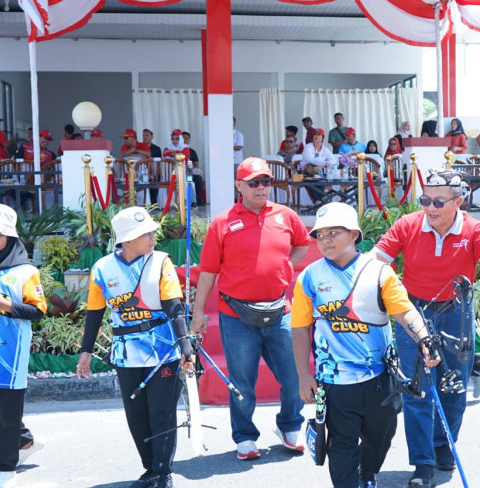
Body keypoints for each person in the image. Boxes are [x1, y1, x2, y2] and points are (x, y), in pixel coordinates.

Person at [373, 168, 480, 487]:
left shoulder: (474, 229)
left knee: (454, 387)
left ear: (459, 201)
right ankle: (422, 462)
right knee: (416, 388)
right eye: (425, 200)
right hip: (412, 311)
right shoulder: (408, 224)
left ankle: (443, 445)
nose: (430, 207)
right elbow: (377, 259)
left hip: (456, 312)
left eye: (439, 201)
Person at [291, 202, 440, 488]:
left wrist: (423, 338)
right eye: (320, 235)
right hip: (333, 380)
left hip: (379, 377)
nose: (325, 240)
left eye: (333, 232)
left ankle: (368, 471)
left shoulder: (379, 272)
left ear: (354, 235)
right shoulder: (309, 277)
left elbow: (404, 311)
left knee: (381, 434)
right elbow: (299, 328)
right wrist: (304, 375)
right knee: (342, 442)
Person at [191, 157, 309, 460]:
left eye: (266, 181)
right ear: (239, 186)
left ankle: (290, 426)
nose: (261, 188)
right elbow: (207, 270)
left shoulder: (286, 216)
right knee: (242, 382)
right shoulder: (222, 222)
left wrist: (286, 267)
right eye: (254, 182)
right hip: (237, 316)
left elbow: (302, 244)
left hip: (280, 311)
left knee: (294, 375)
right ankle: (245, 437)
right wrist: (197, 312)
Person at [76, 207, 193, 488]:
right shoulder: (103, 269)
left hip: (163, 350)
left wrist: (185, 345)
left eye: (152, 232)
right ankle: (149, 468)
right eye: (145, 234)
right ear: (127, 240)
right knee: (136, 414)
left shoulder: (161, 262)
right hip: (126, 353)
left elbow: (175, 308)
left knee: (161, 411)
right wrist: (86, 352)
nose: (153, 237)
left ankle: (163, 472)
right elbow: (94, 313)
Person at [0, 205, 47, 488]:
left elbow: (38, 311)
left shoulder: (25, 272)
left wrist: (5, 305)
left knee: (6, 410)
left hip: (9, 352)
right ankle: (25, 439)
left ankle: (6, 467)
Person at [183, 132, 205, 207]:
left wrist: (189, 169)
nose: (185, 140)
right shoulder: (178, 150)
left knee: (198, 179)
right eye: (183, 138)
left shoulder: (192, 151)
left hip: (189, 171)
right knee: (189, 181)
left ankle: (197, 200)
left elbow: (196, 165)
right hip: (180, 172)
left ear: (189, 140)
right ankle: (188, 201)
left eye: (187, 139)